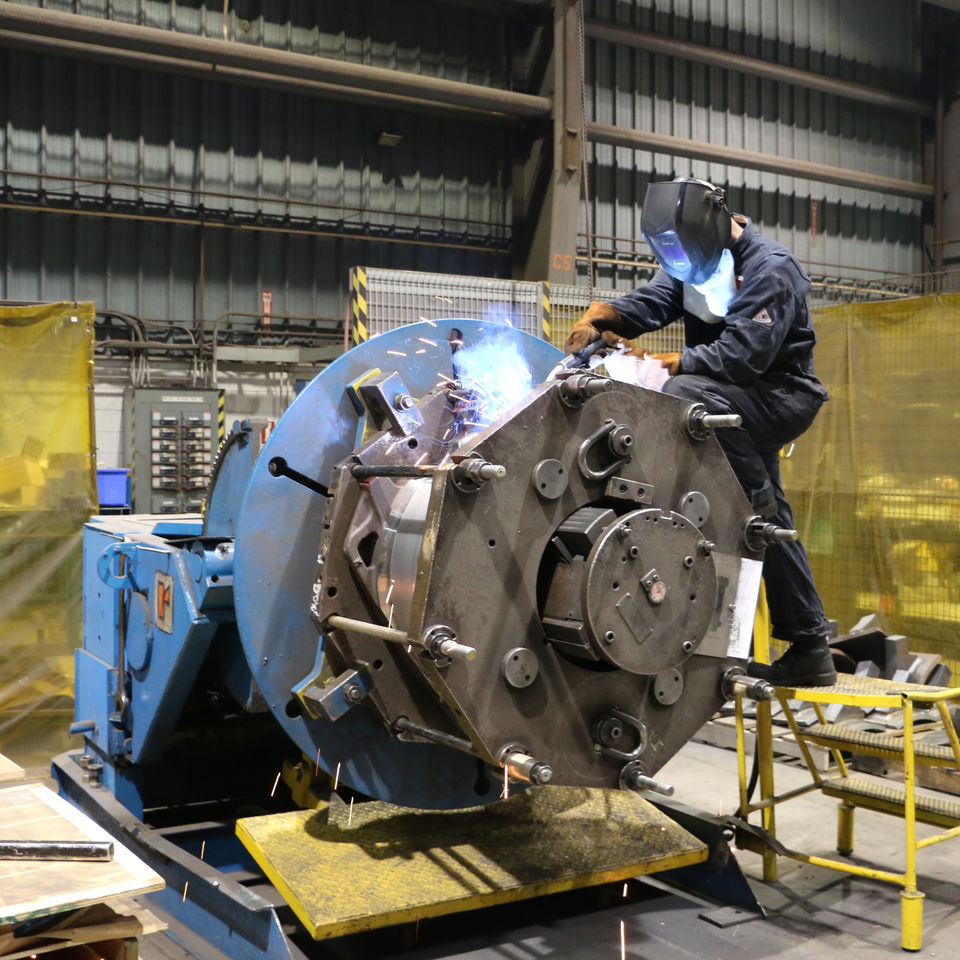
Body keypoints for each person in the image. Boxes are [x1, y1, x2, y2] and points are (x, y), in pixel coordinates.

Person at [565, 177, 836, 687]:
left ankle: (748, 495)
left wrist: (670, 362)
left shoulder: (770, 268)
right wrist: (601, 318)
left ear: (715, 226)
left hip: (777, 398)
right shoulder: (695, 262)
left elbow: (742, 356)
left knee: (687, 389)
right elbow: (653, 303)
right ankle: (810, 646)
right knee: (767, 518)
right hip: (732, 401)